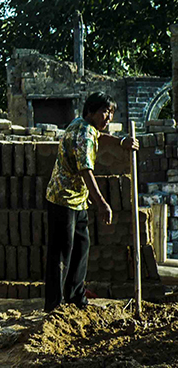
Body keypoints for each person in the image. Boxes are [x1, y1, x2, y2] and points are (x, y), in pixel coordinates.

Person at [43, 92, 138, 311]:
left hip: (77, 201)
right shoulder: (83, 134)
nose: (109, 117)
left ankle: (76, 297)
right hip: (63, 199)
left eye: (111, 113)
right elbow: (86, 170)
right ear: (91, 112)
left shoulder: (82, 125)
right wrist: (102, 203)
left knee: (80, 248)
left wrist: (121, 141)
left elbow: (99, 136)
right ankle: (54, 305)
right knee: (61, 253)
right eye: (105, 112)